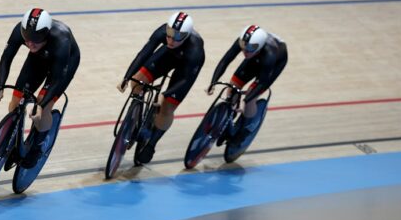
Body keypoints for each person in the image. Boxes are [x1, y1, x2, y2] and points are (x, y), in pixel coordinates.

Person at [0, 8, 80, 167]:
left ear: (45, 35)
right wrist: (0, 86)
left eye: (35, 40)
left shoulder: (61, 39)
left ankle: (38, 147)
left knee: (42, 106)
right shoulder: (22, 31)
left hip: (64, 64)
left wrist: (41, 105)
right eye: (27, 39)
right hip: (39, 57)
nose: (29, 43)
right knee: (16, 101)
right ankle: (12, 141)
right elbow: (6, 58)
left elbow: (57, 78)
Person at [117, 11, 205, 164]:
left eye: (177, 36)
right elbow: (144, 54)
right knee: (137, 81)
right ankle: (136, 117)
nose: (171, 39)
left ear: (186, 35)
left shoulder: (195, 49)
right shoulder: (162, 32)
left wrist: (166, 94)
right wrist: (127, 76)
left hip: (185, 69)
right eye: (170, 34)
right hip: (168, 56)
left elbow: (185, 80)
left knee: (167, 106)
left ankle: (151, 144)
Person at [206, 25, 287, 133]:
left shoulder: (269, 55)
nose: (246, 51)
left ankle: (246, 128)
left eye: (250, 48)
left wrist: (246, 100)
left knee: (250, 99)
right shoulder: (245, 43)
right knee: (232, 87)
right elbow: (225, 61)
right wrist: (213, 82)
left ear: (259, 46)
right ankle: (229, 115)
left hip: (275, 63)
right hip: (255, 57)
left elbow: (262, 83)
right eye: (244, 46)